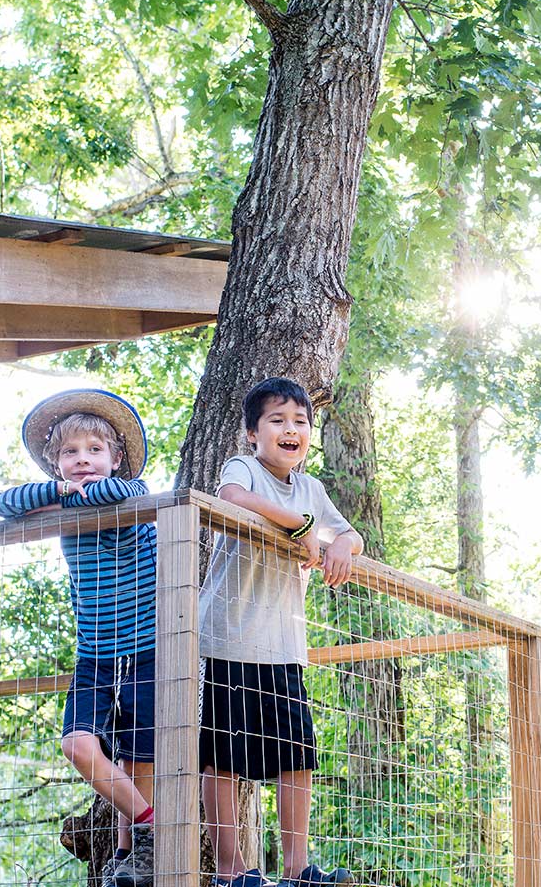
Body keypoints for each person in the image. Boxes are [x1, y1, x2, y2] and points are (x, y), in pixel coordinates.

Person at [199, 377, 365, 887]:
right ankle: (230, 868)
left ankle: (297, 869)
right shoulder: (243, 467)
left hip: (284, 645)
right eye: (277, 420)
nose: (290, 429)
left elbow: (348, 533)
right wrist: (300, 528)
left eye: (300, 422)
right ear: (253, 433)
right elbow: (231, 496)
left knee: (298, 756)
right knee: (223, 757)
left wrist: (343, 545)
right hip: (228, 635)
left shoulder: (312, 488)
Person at [0, 388, 159, 887]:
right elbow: (4, 504)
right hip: (95, 657)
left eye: (94, 450)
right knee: (78, 745)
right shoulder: (64, 501)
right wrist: (59, 494)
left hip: (148, 649)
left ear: (116, 458)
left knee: (138, 761)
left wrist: (77, 494)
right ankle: (155, 827)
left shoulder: (134, 491)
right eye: (70, 452)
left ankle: (132, 859)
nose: (83, 459)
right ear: (55, 463)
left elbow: (116, 493)